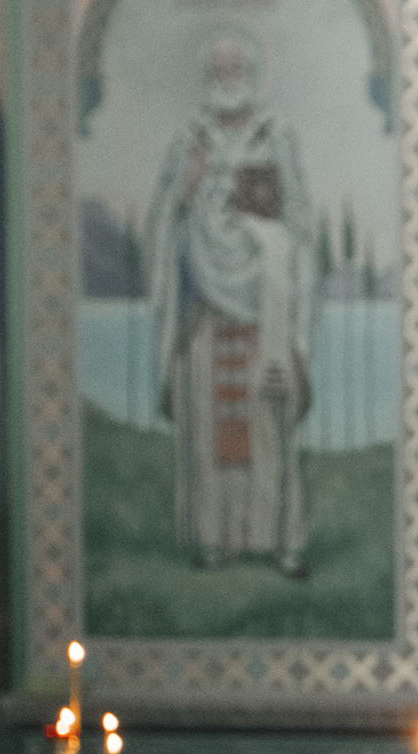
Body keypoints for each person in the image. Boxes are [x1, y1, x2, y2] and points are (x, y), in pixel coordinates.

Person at [147, 30, 320, 576]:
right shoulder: (188, 141)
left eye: (235, 68)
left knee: (266, 425)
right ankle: (215, 539)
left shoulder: (277, 137)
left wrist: (264, 235)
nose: (226, 80)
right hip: (205, 314)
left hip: (264, 314)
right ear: (206, 78)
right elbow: (161, 226)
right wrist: (187, 189)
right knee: (208, 426)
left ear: (251, 72)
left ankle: (279, 541)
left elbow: (301, 225)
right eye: (217, 71)